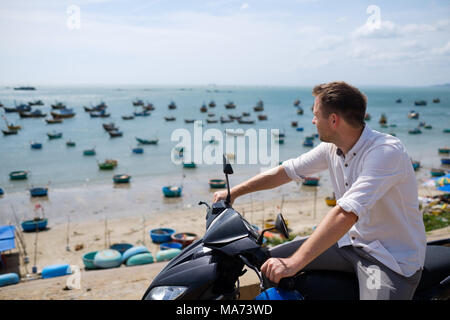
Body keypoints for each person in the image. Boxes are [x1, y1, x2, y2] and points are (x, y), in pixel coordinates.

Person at [213, 81, 427, 300]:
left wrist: (293, 264)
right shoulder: (333, 148)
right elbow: (285, 171)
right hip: (351, 244)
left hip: (390, 259)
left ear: (333, 120)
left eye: (316, 115)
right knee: (267, 263)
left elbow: (346, 212)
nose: (313, 121)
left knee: (286, 264)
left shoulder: (385, 151)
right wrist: (233, 193)